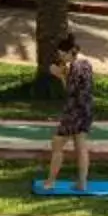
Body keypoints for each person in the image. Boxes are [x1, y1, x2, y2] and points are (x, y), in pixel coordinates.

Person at [41, 33, 96, 192]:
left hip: (75, 111)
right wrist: (65, 72)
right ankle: (82, 183)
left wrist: (60, 75)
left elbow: (70, 90)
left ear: (69, 52)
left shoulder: (75, 67)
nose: (61, 59)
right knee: (81, 146)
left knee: (57, 143)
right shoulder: (86, 63)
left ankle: (50, 182)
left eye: (61, 55)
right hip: (86, 109)